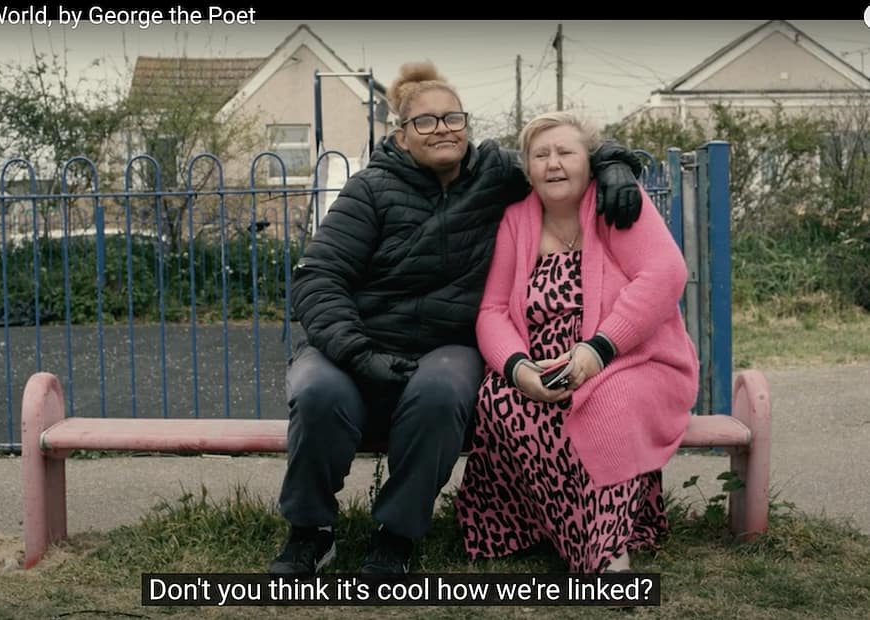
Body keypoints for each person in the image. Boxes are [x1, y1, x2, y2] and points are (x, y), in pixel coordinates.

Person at [268, 63, 645, 576]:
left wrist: (615, 166)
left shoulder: (496, 173)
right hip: (359, 342)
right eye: (425, 121)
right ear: (400, 137)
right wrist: (358, 352)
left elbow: (559, 152)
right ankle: (310, 532)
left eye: (452, 117)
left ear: (467, 124)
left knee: (443, 390)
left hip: (446, 345)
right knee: (316, 392)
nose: (442, 128)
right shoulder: (369, 191)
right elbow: (318, 278)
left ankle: (396, 536)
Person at [454, 110, 700, 573]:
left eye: (566, 152)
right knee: (500, 401)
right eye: (541, 155)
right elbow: (491, 312)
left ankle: (605, 556)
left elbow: (666, 274)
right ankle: (570, 532)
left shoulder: (619, 204)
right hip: (542, 362)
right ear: (527, 169)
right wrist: (520, 370)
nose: (554, 164)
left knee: (606, 405)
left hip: (628, 358)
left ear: (590, 162)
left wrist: (597, 350)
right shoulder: (515, 221)